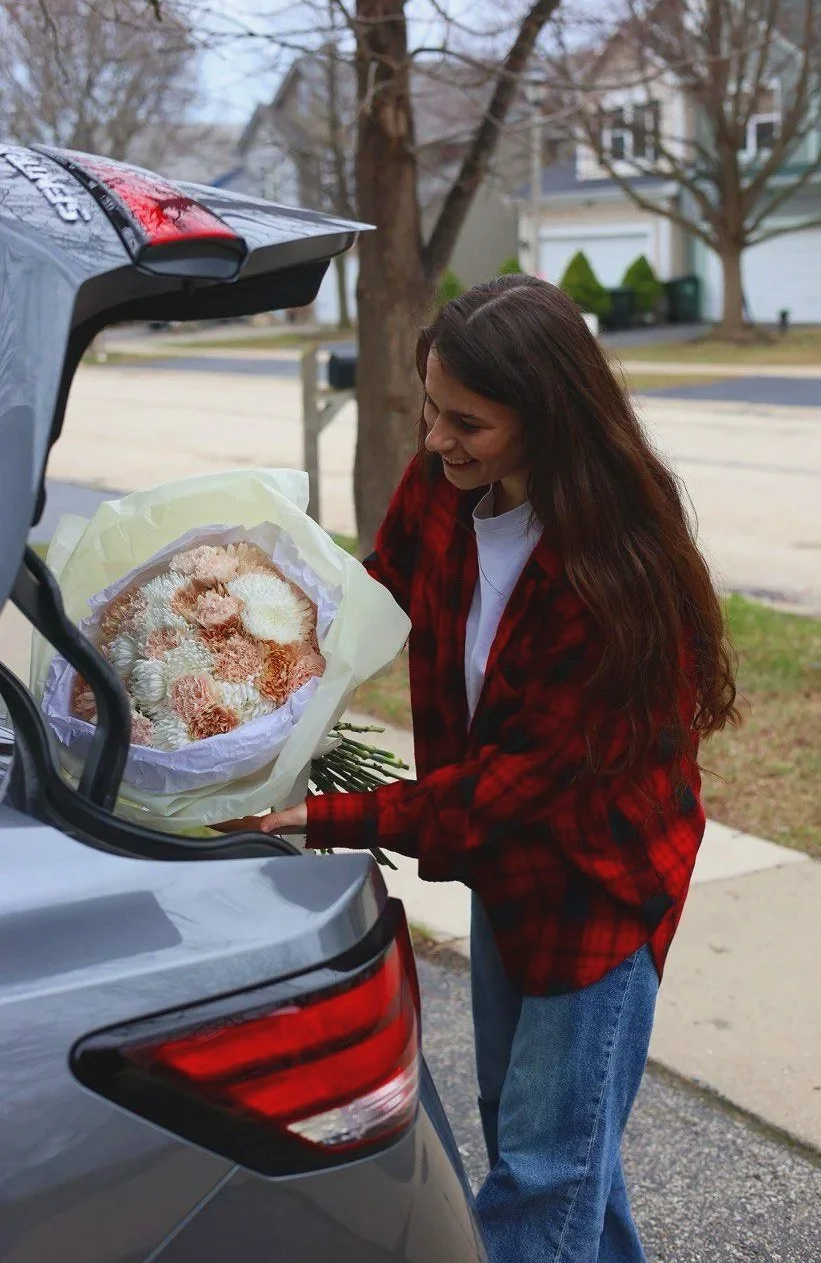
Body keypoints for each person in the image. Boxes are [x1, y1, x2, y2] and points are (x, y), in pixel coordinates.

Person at [227, 275, 739, 1261]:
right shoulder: (450, 485)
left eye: (467, 421)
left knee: (542, 1171)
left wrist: (317, 813)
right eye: (428, 409)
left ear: (549, 417)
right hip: (513, 866)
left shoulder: (614, 573)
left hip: (596, 883)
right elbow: (374, 593)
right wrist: (256, 672)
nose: (434, 440)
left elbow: (500, 792)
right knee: (548, 1133)